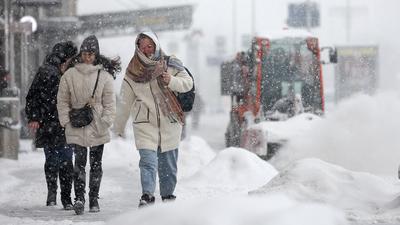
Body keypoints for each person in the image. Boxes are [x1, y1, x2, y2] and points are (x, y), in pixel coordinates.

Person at [113, 31, 193, 207]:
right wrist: (118, 127)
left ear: (156, 46)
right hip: (145, 123)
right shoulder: (133, 70)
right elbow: (125, 102)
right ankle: (147, 195)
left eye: (149, 46)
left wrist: (170, 79)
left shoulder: (171, 63)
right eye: (142, 47)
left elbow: (188, 84)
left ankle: (167, 196)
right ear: (137, 48)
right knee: (148, 161)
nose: (146, 50)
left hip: (169, 120)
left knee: (168, 166)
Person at [57, 35, 120, 214]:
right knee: (79, 164)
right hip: (77, 123)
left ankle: (93, 199)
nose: (87, 57)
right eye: (85, 53)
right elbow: (62, 100)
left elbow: (110, 102)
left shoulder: (105, 76)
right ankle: (79, 198)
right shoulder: (69, 75)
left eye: (91, 54)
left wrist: (107, 120)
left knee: (96, 164)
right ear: (80, 53)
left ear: (96, 55)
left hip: (98, 124)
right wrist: (66, 121)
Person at [25, 41, 78, 210]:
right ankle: (65, 197)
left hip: (49, 124)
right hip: (61, 124)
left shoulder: (46, 71)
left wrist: (35, 117)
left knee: (52, 160)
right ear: (66, 57)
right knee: (65, 161)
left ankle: (53, 194)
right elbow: (34, 97)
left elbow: (32, 96)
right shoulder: (57, 73)